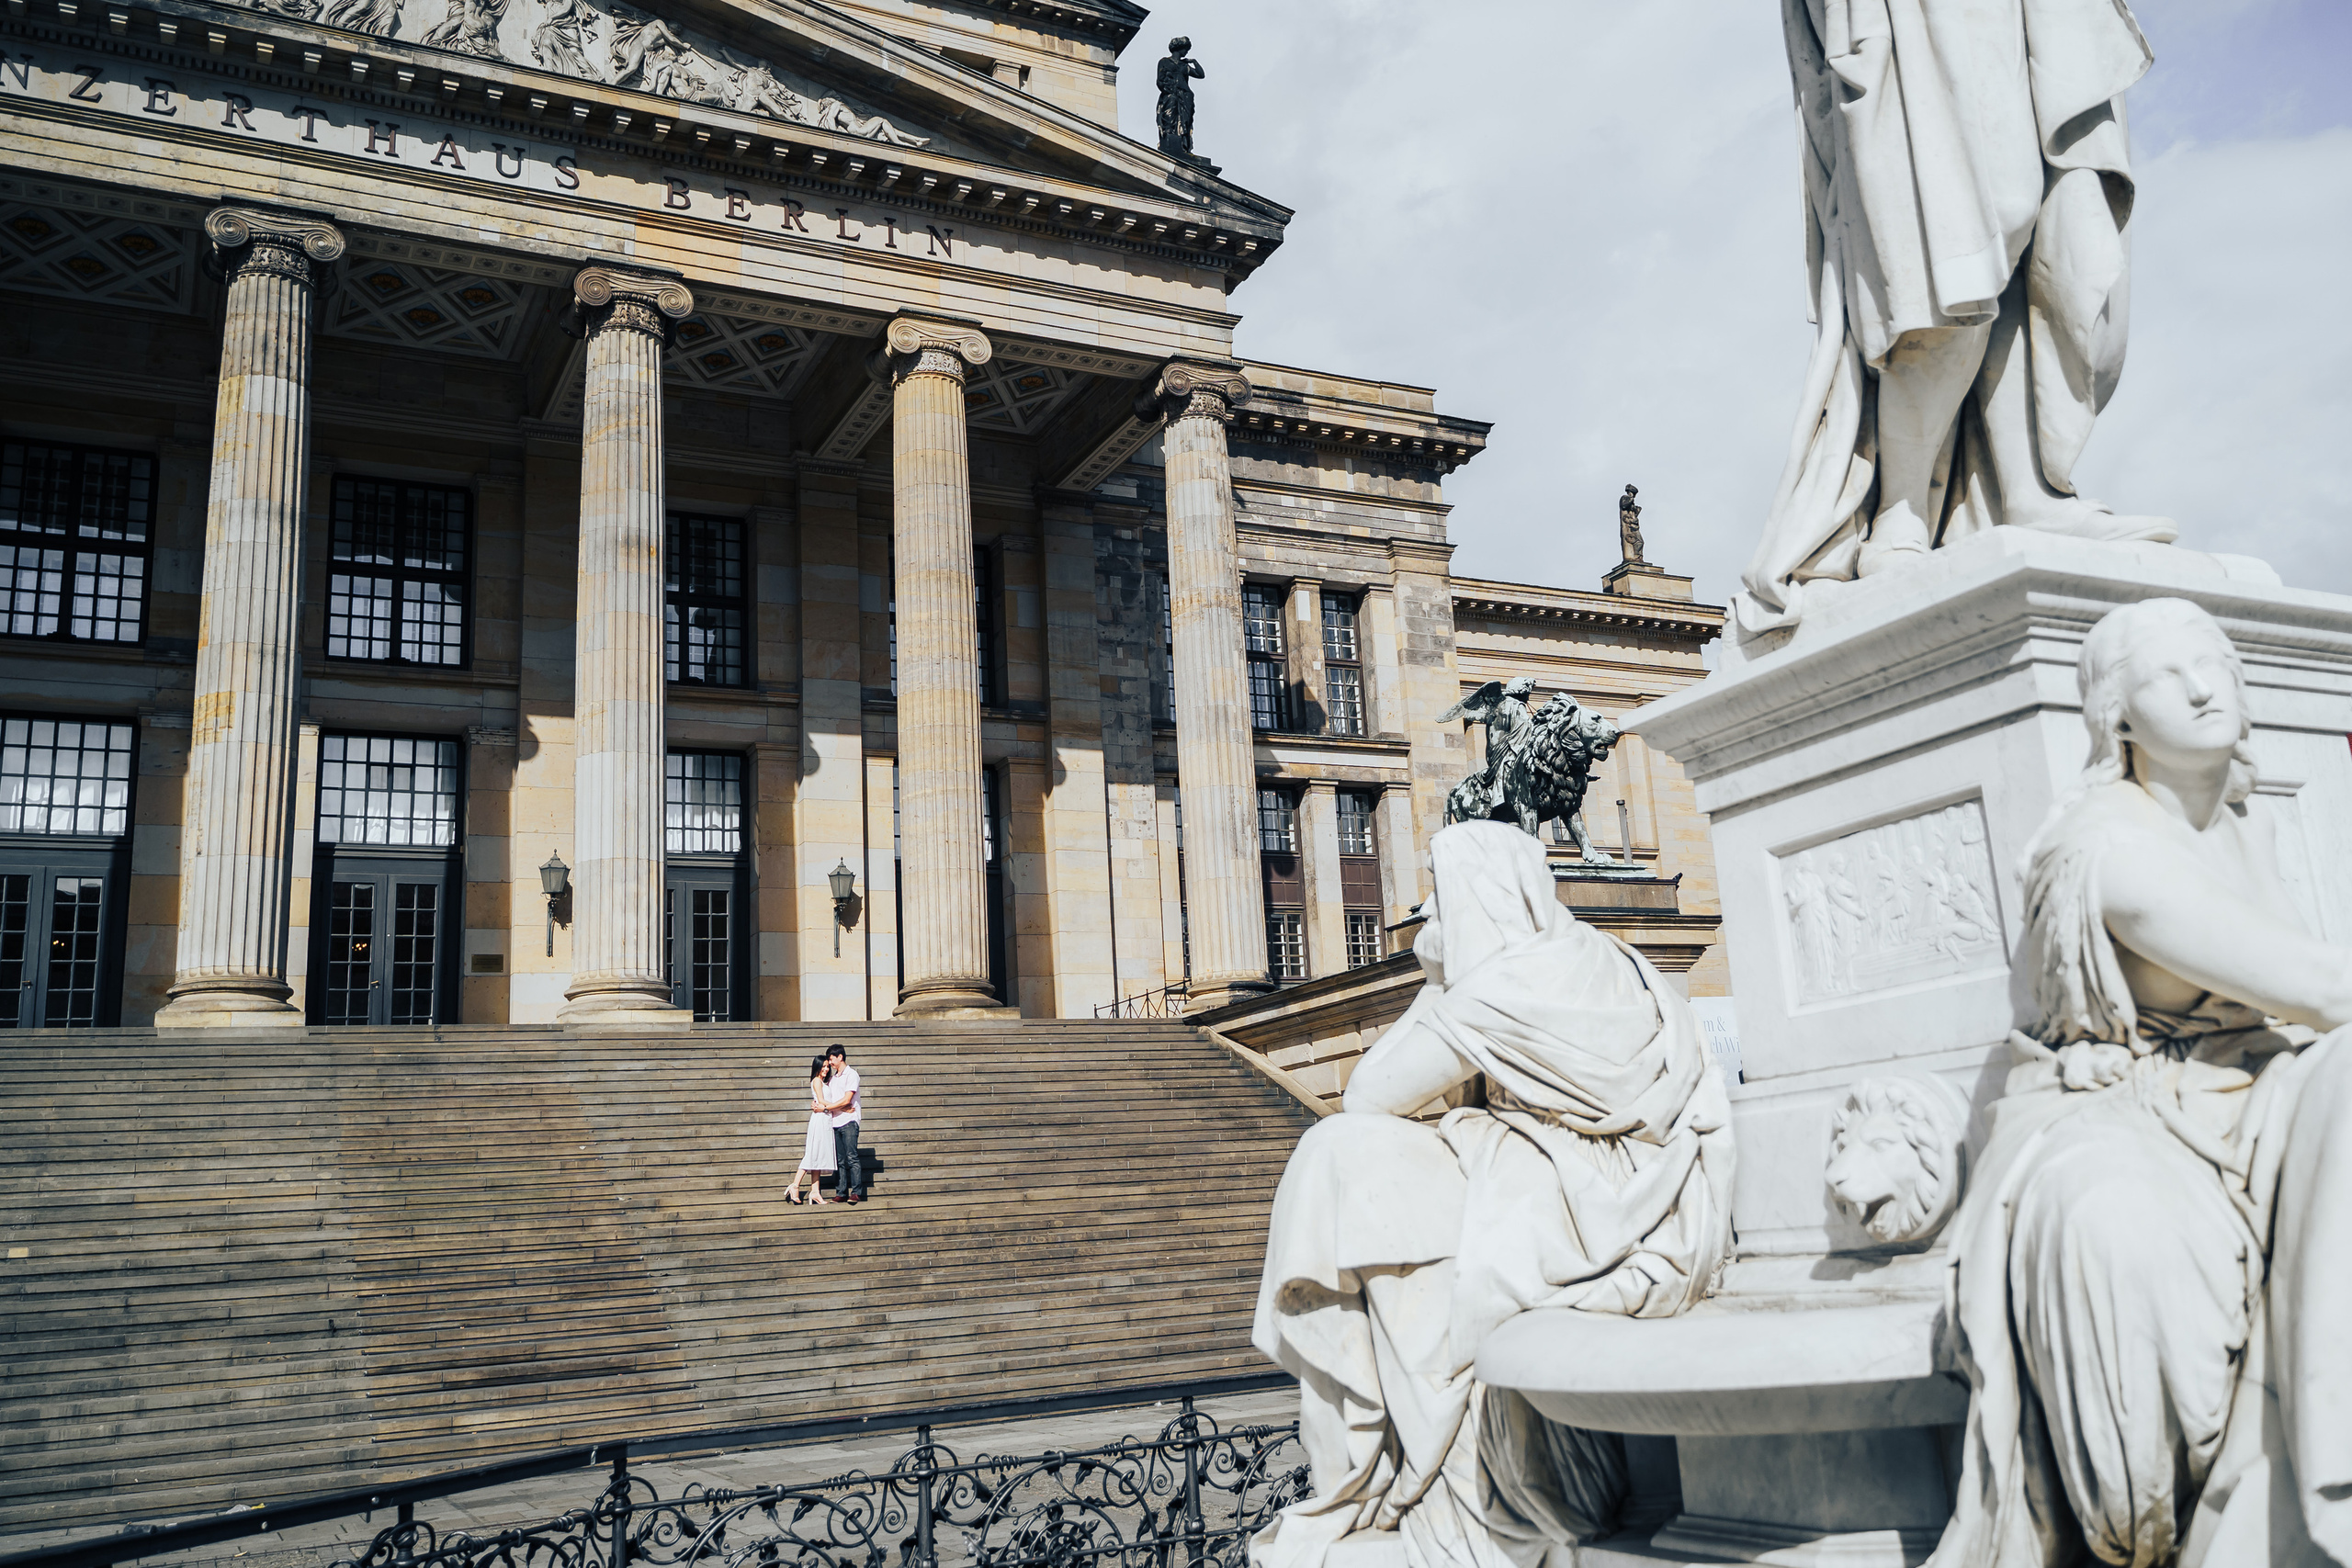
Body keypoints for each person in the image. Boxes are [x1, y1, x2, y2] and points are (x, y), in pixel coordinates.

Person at [1929, 597, 2352, 1567]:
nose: (2209, 685)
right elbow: (2322, 986)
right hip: (2125, 1110)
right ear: (2116, 717)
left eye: (2218, 662)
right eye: (2172, 674)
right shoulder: (2110, 852)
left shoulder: (2235, 818)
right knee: (2119, 1232)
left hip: (2245, 1088)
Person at [1250, 821, 1734, 1568]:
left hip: (1578, 1206)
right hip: (1653, 1201)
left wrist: (1441, 982)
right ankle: (1416, 1465)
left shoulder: (1504, 983)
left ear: (1477, 901)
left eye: (1440, 899)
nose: (1429, 917)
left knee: (1339, 1159)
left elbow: (1369, 1094)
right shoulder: (1606, 957)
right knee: (1365, 1173)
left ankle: (1402, 1472)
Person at [786, 1054, 838, 1206]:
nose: (826, 1069)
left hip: (826, 1120)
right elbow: (821, 1101)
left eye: (827, 1066)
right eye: (823, 1066)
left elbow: (823, 1103)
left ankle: (815, 1191)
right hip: (820, 1121)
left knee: (819, 1157)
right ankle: (794, 1186)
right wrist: (841, 1106)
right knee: (813, 1154)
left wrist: (830, 1108)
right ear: (817, 1067)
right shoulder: (816, 1081)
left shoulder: (824, 1082)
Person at [820, 1043, 865, 1204]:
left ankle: (857, 1192)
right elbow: (837, 1101)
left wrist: (826, 1107)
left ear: (840, 1057)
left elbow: (847, 1100)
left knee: (851, 1157)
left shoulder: (851, 1075)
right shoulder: (833, 1079)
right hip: (835, 1122)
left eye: (831, 1059)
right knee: (839, 1160)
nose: (830, 1063)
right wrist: (838, 1107)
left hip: (849, 1122)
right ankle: (841, 1192)